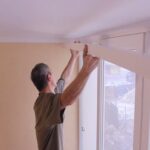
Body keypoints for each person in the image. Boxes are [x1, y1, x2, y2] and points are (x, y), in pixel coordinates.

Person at [31, 45, 99, 150]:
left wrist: (74, 57)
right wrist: (86, 69)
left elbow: (64, 79)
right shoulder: (46, 104)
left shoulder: (46, 98)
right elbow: (69, 98)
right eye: (52, 74)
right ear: (49, 76)